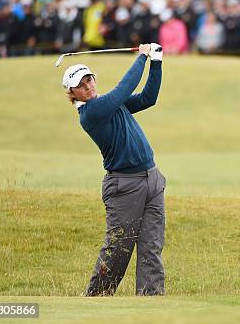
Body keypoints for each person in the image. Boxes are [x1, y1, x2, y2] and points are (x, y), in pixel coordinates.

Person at [61, 43, 166, 296]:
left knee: (151, 247)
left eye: (90, 80)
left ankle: (150, 302)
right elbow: (123, 90)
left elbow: (147, 98)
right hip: (124, 185)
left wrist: (157, 62)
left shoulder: (108, 104)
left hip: (152, 178)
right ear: (72, 93)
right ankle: (96, 299)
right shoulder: (91, 112)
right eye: (81, 85)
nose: (88, 86)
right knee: (118, 248)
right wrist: (142, 56)